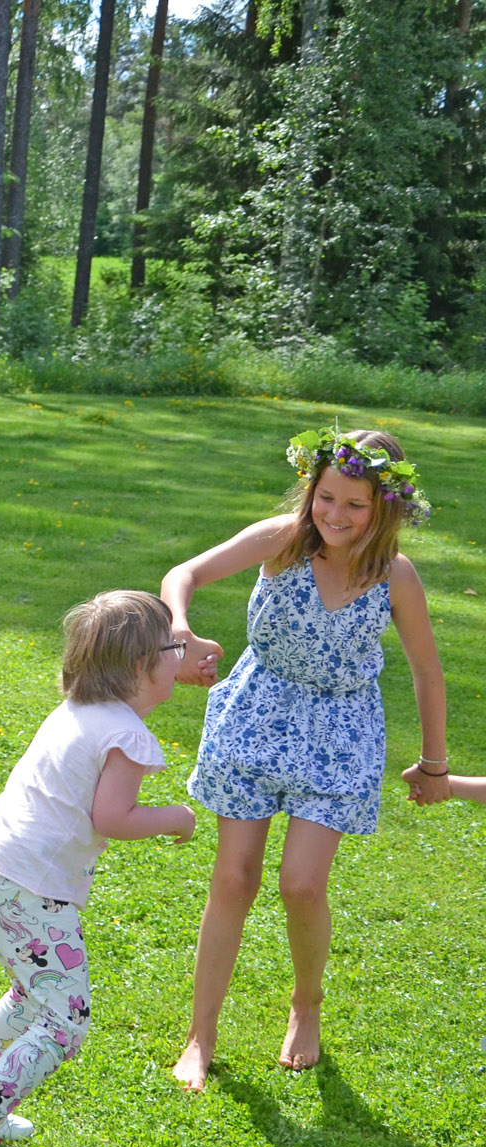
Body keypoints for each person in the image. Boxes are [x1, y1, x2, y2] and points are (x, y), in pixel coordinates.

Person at [166, 428, 448, 1091]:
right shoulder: (283, 539)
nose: (336, 515)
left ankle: (306, 1004)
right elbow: (185, 573)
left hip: (339, 731)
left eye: (355, 504)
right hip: (257, 713)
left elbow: (428, 673)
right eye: (327, 497)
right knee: (233, 878)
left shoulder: (394, 576)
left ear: (384, 507)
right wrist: (178, 623)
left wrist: (434, 763)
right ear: (310, 490)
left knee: (302, 883)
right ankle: (200, 1037)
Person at [0, 591, 196, 1147]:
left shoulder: (78, 711)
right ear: (142, 666)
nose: (182, 656)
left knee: (31, 995)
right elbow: (112, 817)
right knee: (67, 1020)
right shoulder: (127, 734)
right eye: (175, 648)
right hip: (31, 887)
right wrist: (175, 817)